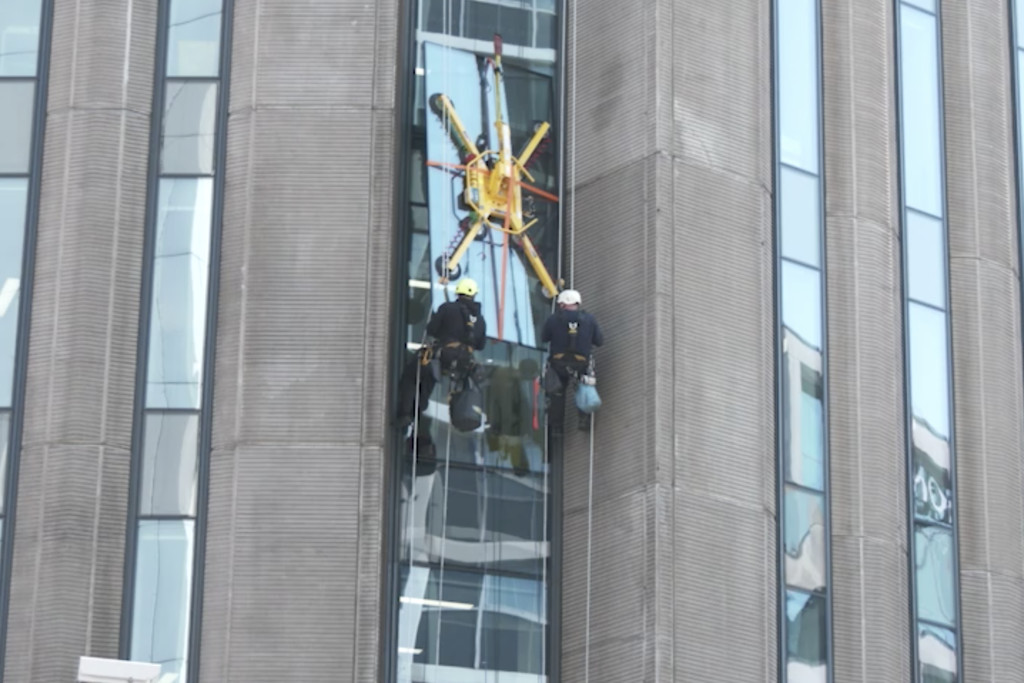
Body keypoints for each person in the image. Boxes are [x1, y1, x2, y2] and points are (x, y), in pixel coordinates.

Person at [541, 289, 603, 431]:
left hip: (558, 363)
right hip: (581, 363)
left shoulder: (553, 319)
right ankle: (584, 420)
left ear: (562, 304)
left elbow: (544, 338)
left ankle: (556, 427)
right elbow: (599, 341)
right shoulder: (589, 319)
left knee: (557, 393)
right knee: (584, 387)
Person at [427, 277, 487, 382]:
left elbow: (431, 330)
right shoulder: (481, 320)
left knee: (412, 377)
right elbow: (481, 346)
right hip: (464, 366)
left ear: (458, 293)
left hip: (442, 359)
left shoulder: (446, 308)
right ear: (474, 295)